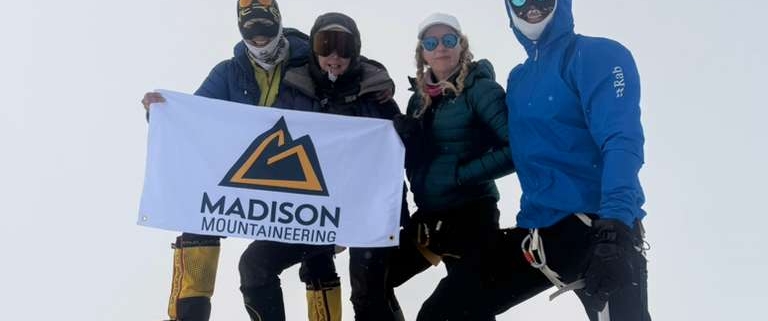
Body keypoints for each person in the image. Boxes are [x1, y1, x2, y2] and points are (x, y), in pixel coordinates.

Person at [139, 1, 342, 320]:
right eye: (251, 33)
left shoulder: (309, 65)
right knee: (199, 215)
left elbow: (346, 100)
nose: (259, 40)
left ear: (277, 25)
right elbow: (194, 117)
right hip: (248, 179)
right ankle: (188, 315)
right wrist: (162, 114)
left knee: (313, 249)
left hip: (299, 181)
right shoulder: (228, 72)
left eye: (265, 31)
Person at [238, 12, 409, 321]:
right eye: (324, 44)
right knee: (255, 263)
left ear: (356, 50)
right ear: (313, 49)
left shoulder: (376, 93)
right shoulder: (294, 89)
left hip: (364, 210)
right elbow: (269, 140)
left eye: (344, 47)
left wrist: (410, 136)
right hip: (312, 211)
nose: (334, 56)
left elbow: (398, 155)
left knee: (369, 290)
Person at [491, 0, 651, 320]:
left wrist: (615, 227)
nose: (531, 6)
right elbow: (518, 152)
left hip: (598, 227)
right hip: (539, 234)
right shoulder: (519, 79)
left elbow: (621, 140)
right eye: (520, 0)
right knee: (447, 309)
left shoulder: (597, 56)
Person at [388, 12, 515, 321]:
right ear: (423, 53)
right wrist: (408, 145)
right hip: (431, 217)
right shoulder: (419, 101)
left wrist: (461, 176)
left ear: (462, 46)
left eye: (449, 40)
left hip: (472, 215)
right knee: (373, 277)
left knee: (456, 311)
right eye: (431, 42)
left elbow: (516, 150)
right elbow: (421, 160)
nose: (440, 48)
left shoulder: (481, 90)